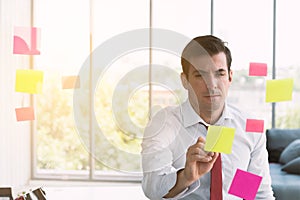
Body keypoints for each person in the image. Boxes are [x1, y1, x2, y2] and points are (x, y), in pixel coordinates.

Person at [141, 35, 275, 199]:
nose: (211, 84)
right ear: (185, 80)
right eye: (200, 75)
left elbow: (258, 194)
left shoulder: (248, 129)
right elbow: (152, 190)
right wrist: (185, 177)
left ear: (230, 77)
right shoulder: (164, 125)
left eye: (220, 73)